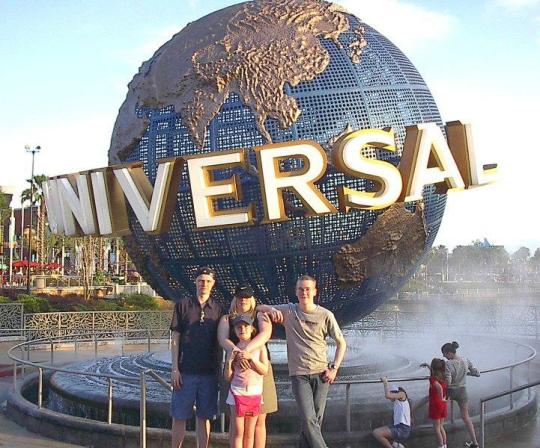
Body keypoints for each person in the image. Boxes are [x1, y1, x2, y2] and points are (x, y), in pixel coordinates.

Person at [257, 275, 347, 448]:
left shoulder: (326, 315)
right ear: (296, 291)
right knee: (308, 418)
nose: (304, 292)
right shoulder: (289, 311)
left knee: (315, 421)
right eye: (300, 289)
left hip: (322, 374)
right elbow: (258, 308)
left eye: (307, 289)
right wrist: (271, 309)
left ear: (314, 292)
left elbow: (341, 343)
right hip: (299, 374)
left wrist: (334, 368)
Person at [218, 284, 278, 448]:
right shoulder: (227, 319)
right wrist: (237, 353)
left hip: (258, 370)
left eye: (246, 297)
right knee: (235, 422)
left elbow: (265, 333)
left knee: (260, 419)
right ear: (235, 298)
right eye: (240, 297)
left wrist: (247, 352)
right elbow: (222, 339)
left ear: (251, 298)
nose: (243, 300)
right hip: (235, 371)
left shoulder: (260, 315)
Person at [169, 267, 223, 448]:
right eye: (201, 280)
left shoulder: (218, 309)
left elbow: (222, 339)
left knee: (204, 417)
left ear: (213, 284)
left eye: (207, 281)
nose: (204, 284)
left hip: (209, 373)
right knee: (179, 416)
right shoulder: (183, 305)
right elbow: (175, 338)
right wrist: (175, 369)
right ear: (195, 282)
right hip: (185, 372)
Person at [224, 315, 269, 448]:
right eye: (239, 327)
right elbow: (228, 377)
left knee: (249, 432)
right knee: (238, 431)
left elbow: (264, 370)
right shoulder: (233, 349)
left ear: (252, 328)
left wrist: (252, 359)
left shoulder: (260, 347)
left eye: (245, 326)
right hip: (237, 392)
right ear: (234, 330)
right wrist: (229, 362)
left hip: (254, 393)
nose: (242, 329)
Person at [441, 341, 480, 448]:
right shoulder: (465, 360)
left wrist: (441, 381)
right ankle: (475, 443)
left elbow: (448, 381)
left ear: (449, 353)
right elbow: (476, 373)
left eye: (444, 354)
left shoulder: (448, 364)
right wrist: (467, 373)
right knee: (466, 417)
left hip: (450, 391)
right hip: (462, 390)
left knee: (440, 417)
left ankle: (442, 443)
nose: (444, 356)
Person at [372, 377, 411, 448]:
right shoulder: (398, 402)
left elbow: (388, 395)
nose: (391, 396)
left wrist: (385, 382)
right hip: (397, 427)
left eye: (392, 393)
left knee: (377, 433)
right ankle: (397, 445)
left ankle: (395, 445)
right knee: (377, 432)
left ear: (396, 392)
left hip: (402, 429)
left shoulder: (402, 394)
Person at [421, 358, 448, 448]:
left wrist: (440, 396)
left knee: (436, 428)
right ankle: (445, 445)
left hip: (436, 404)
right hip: (443, 403)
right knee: (441, 426)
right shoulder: (443, 377)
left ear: (434, 368)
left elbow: (438, 386)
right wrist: (428, 366)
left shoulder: (433, 379)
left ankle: (440, 445)